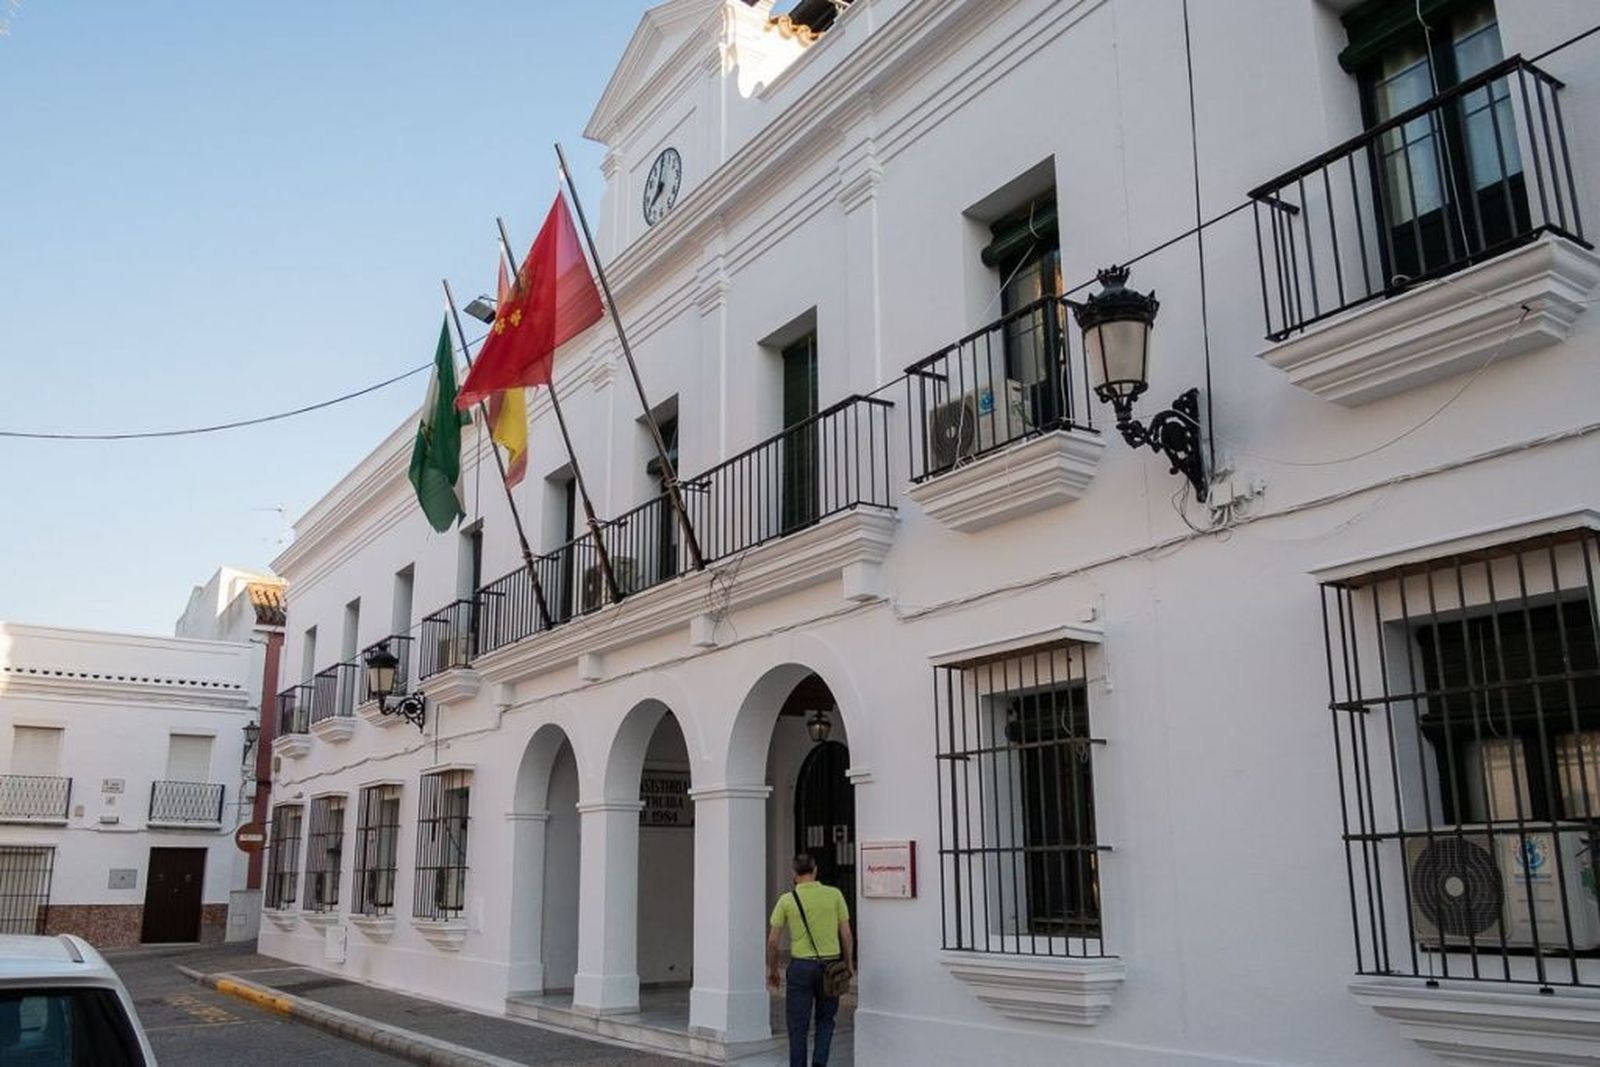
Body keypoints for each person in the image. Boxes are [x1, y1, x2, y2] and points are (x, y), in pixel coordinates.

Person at [767, 853, 854, 1067]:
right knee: (826, 1020)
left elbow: (772, 942)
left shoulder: (786, 901)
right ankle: (819, 1063)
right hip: (831, 966)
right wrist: (849, 964)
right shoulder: (834, 895)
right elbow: (847, 935)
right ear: (815, 871)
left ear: (794, 875)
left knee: (798, 1025)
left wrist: (773, 969)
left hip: (801, 967)